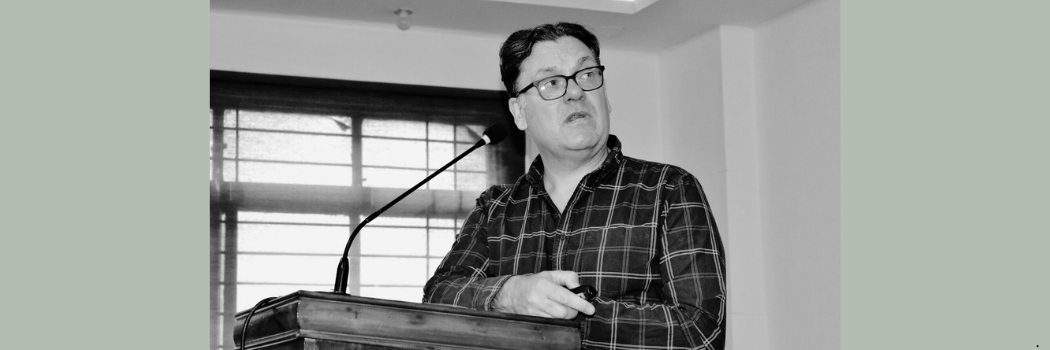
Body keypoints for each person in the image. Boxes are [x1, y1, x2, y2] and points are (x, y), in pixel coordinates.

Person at [423, 22, 726, 349]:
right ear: (519, 111)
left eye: (587, 75)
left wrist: (570, 315)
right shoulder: (494, 209)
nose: (576, 91)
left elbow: (700, 332)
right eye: (552, 82)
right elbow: (439, 296)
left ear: (605, 95)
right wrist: (508, 294)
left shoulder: (669, 189)